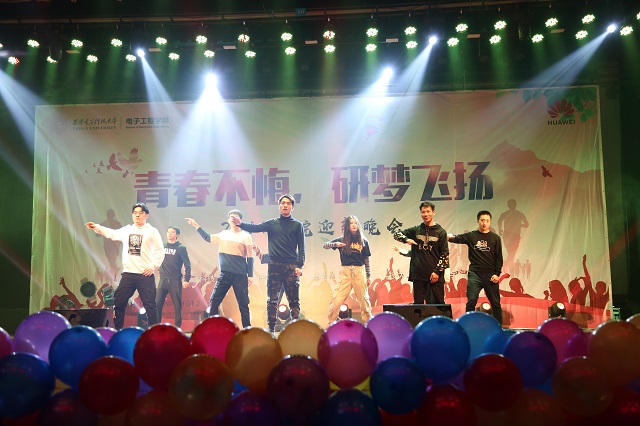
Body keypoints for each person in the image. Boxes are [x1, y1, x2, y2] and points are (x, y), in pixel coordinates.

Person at [230, 194, 305, 333]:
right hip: (274, 266)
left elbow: (302, 248)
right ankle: (271, 330)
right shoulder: (272, 223)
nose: (285, 205)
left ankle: (295, 330)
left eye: (288, 203)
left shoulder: (297, 225)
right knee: (272, 300)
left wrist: (299, 266)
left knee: (294, 301)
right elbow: (255, 228)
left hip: (291, 266)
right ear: (279, 206)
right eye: (283, 203)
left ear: (292, 207)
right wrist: (240, 224)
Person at [86, 202, 165, 329]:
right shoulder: (127, 230)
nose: (137, 215)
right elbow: (111, 233)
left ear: (147, 215)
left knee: (150, 305)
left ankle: (155, 331)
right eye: (135, 213)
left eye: (140, 213)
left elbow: (160, 251)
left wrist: (153, 266)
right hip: (128, 274)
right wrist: (96, 227)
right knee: (119, 302)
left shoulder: (152, 232)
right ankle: (118, 330)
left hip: (145, 275)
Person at [186, 210, 254, 328]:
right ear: (228, 220)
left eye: (236, 216)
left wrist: (250, 275)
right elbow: (208, 238)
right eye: (231, 217)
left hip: (240, 275)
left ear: (240, 220)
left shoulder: (246, 236)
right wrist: (196, 225)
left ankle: (247, 329)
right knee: (214, 300)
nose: (233, 218)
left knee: (243, 304)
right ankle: (212, 327)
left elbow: (250, 257)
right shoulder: (223, 234)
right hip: (225, 274)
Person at [448, 210, 504, 325]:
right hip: (475, 274)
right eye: (482, 220)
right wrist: (445, 235)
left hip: (490, 275)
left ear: (490, 222)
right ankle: (468, 325)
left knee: (495, 303)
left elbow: (499, 258)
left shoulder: (496, 238)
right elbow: (455, 238)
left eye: (487, 221)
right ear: (478, 221)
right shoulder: (471, 236)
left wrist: (497, 274)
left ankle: (498, 327)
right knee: (472, 300)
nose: (484, 223)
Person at [393, 201, 449, 305]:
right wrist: (406, 239)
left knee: (439, 304)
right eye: (423, 212)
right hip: (418, 274)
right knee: (418, 304)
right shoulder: (416, 230)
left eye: (428, 211)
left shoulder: (441, 232)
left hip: (435, 275)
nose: (425, 214)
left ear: (433, 212)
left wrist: (437, 272)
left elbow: (444, 254)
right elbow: (396, 234)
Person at [323, 215, 373, 323]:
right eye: (351, 223)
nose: (354, 225)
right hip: (345, 272)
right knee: (336, 300)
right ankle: (332, 323)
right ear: (347, 226)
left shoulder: (363, 241)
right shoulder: (342, 239)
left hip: (359, 272)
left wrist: (369, 276)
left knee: (364, 301)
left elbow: (366, 260)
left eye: (355, 223)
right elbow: (325, 245)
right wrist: (335, 244)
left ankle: (368, 324)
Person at [156, 226, 192, 327]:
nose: (169, 234)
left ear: (177, 235)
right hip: (163, 279)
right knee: (157, 304)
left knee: (177, 305)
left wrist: (186, 279)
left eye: (172, 232)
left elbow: (187, 265)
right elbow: (157, 259)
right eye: (168, 232)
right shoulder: (162, 246)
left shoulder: (181, 248)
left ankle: (177, 328)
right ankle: (156, 326)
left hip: (175, 281)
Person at [497, 199, 528, 273]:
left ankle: (509, 269)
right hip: (513, 235)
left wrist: (500, 229)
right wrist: (519, 225)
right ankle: (510, 270)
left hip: (509, 235)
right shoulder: (519, 214)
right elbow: (526, 224)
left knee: (511, 254)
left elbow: (499, 221)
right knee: (511, 254)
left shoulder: (506, 214)